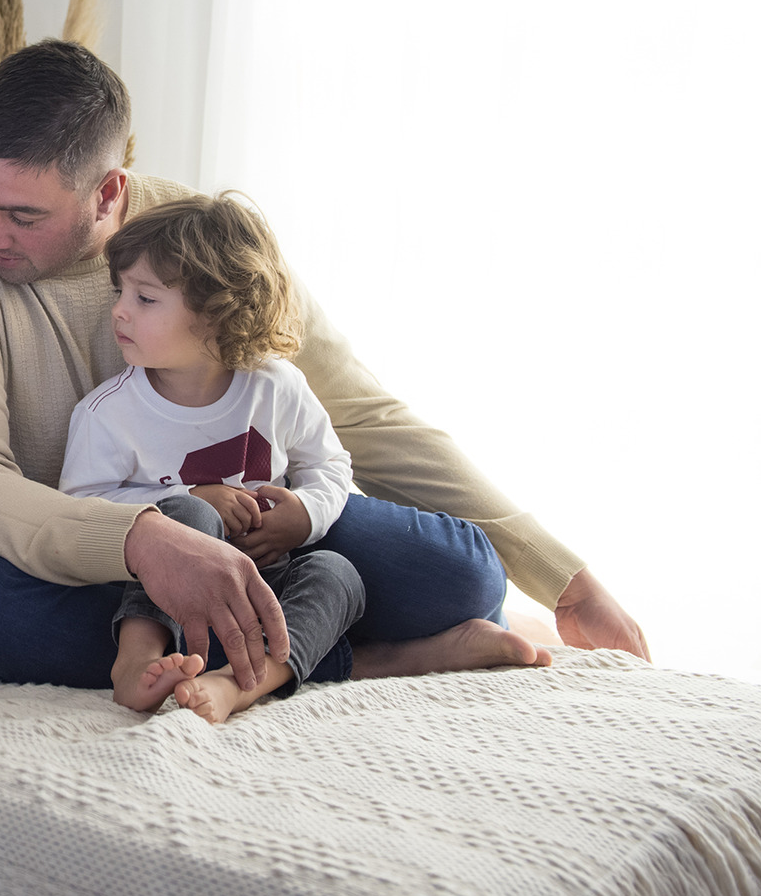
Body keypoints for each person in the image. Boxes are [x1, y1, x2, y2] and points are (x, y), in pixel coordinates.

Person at [0, 38, 648, 698]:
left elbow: (360, 413)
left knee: (467, 577)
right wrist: (146, 541)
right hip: (86, 564)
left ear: (109, 192)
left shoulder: (202, 236)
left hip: (264, 541)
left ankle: (283, 636)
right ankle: (365, 658)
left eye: (22, 215)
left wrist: (563, 579)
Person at [69, 192, 547, 724]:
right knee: (187, 517)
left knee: (338, 573)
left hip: (269, 583)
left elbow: (329, 466)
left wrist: (305, 514)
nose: (119, 309)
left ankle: (240, 683)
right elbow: (81, 508)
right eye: (120, 291)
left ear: (217, 312)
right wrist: (189, 497)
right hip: (172, 595)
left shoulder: (275, 386)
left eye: (145, 298)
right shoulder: (108, 414)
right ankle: (136, 660)